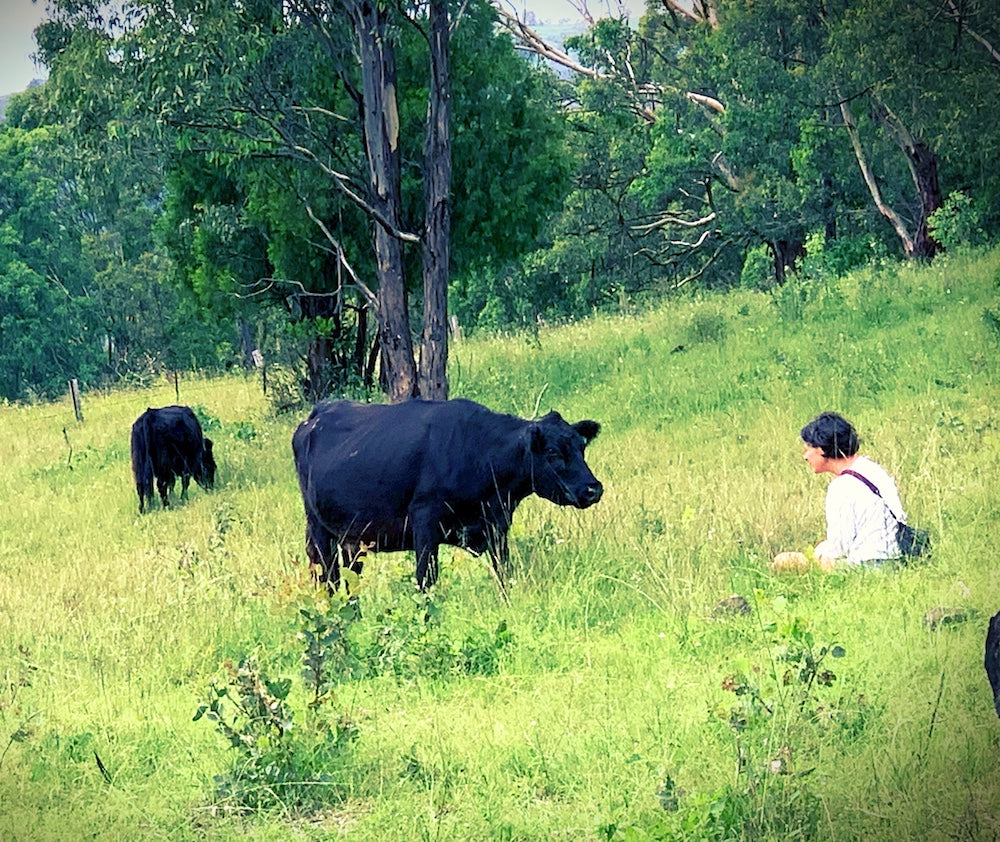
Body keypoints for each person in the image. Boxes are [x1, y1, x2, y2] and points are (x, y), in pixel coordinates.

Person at [792, 411, 906, 570]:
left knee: (787, 561)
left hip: (869, 565)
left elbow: (840, 546)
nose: (805, 456)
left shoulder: (841, 487)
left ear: (821, 448)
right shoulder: (872, 469)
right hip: (896, 558)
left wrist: (816, 555)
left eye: (808, 449)